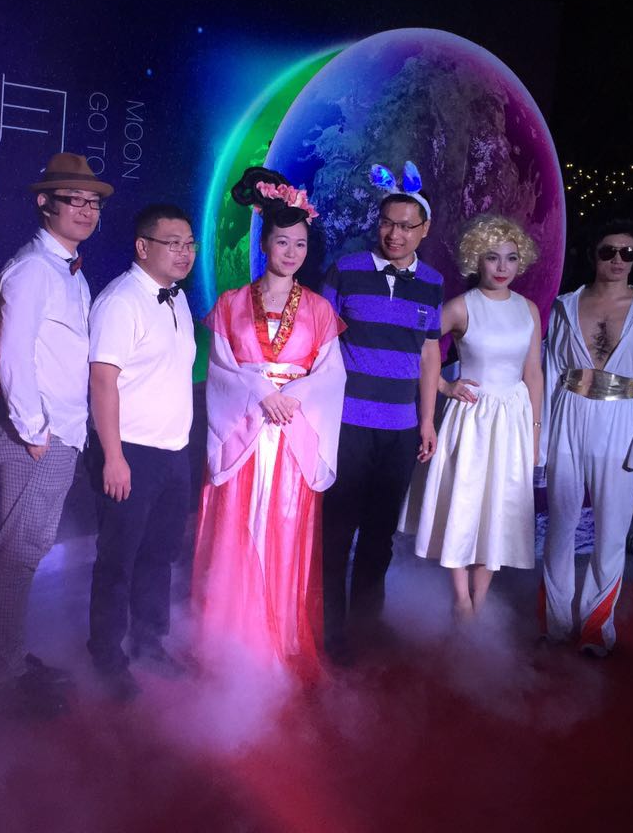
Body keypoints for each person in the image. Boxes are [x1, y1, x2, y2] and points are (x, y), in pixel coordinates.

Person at [192, 168, 345, 682]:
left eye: (300, 243)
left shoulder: (320, 309)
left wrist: (291, 397)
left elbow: (331, 375)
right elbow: (220, 368)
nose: (292, 252)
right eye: (282, 241)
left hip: (292, 432)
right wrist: (261, 392)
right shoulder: (231, 303)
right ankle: (230, 636)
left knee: (283, 524)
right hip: (245, 429)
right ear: (264, 243)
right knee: (236, 528)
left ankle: (276, 636)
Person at [0, 153, 112, 714]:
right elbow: (11, 354)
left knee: (27, 550)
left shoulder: (68, 270)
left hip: (62, 430)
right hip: (40, 435)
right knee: (19, 553)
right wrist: (34, 431)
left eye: (93, 203)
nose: (85, 210)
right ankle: (6, 675)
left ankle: (10, 659)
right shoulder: (35, 269)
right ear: (45, 203)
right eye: (73, 200)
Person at [321, 161, 443, 662]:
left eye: (407, 226)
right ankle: (330, 630)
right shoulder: (346, 269)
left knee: (380, 535)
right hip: (347, 425)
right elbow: (320, 340)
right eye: (388, 223)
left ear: (424, 229)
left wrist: (427, 420)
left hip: (400, 430)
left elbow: (430, 355)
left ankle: (366, 626)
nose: (395, 234)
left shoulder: (432, 282)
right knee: (336, 532)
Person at [400, 216, 544, 619]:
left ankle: (479, 605)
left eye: (511, 258)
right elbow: (419, 352)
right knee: (465, 503)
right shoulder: (461, 307)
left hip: (513, 422)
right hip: (472, 420)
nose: (502, 266)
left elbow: (534, 374)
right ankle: (461, 601)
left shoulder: (529, 310)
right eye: (492, 257)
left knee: (498, 508)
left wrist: (535, 435)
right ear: (476, 259)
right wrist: (446, 387)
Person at [541, 219, 633, 656]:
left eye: (626, 253)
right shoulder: (565, 305)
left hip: (620, 418)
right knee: (560, 527)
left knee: (612, 532)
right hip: (568, 411)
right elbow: (549, 373)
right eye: (608, 251)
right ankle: (556, 625)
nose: (617, 260)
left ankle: (596, 629)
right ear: (593, 254)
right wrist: (541, 438)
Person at [87, 203, 198, 701]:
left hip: (173, 451)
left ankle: (149, 642)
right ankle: (106, 657)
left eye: (189, 244)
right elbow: (102, 382)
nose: (184, 253)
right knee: (118, 559)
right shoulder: (120, 300)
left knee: (159, 554)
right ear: (142, 247)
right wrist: (113, 457)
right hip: (130, 452)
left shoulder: (178, 299)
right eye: (173, 243)